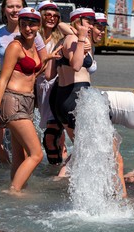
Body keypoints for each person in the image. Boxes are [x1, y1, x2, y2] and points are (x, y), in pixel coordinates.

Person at [0, 8, 62, 195]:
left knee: (20, 154)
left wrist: (47, 59)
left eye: (32, 24)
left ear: (39, 25)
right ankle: (13, 190)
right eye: (24, 24)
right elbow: (3, 79)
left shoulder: (34, 44)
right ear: (19, 25)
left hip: (26, 102)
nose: (28, 28)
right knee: (36, 154)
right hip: (13, 101)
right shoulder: (15, 46)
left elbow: (31, 74)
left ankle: (18, 188)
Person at [0, 0, 47, 164]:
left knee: (23, 148)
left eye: (18, 6)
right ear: (4, 10)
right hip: (3, 94)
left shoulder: (32, 32)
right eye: (10, 6)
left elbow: (42, 62)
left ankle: (17, 179)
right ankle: (8, 169)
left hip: (23, 97)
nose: (14, 10)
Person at [48, 8, 95, 142]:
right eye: (88, 22)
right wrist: (80, 39)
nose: (91, 25)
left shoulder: (60, 41)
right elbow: (76, 66)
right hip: (76, 96)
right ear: (77, 22)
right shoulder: (75, 40)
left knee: (79, 150)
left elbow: (49, 75)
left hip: (61, 99)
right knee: (86, 149)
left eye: (93, 22)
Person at [35, 1, 67, 165]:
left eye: (56, 16)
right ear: (40, 15)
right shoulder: (33, 36)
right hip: (38, 87)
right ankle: (60, 164)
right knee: (56, 134)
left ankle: (55, 168)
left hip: (56, 87)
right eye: (48, 14)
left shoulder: (60, 38)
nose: (52, 18)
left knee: (51, 135)